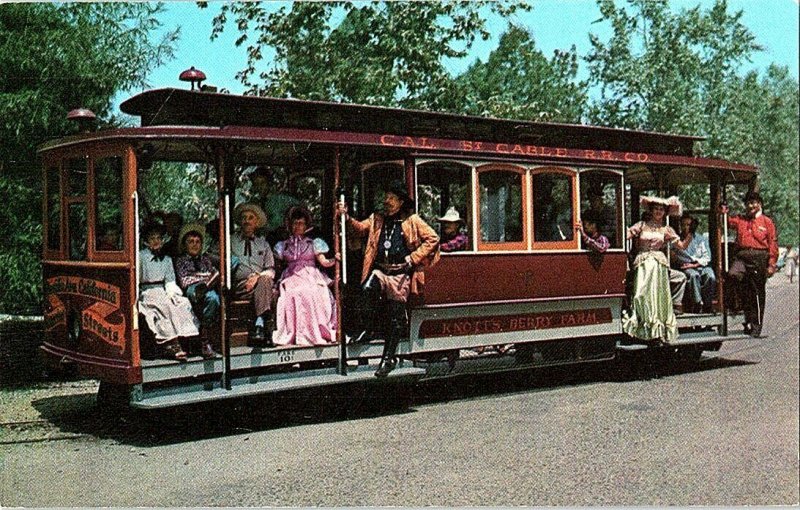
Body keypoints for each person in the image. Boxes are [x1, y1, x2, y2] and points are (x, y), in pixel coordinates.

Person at [338, 181, 440, 377]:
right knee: (368, 289)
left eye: (391, 198)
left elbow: (433, 238)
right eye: (386, 197)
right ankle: (366, 329)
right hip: (381, 271)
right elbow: (358, 229)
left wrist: (412, 259)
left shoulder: (412, 221)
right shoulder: (377, 219)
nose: (387, 201)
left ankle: (388, 359)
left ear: (400, 202)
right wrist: (346, 216)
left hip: (400, 275)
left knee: (395, 317)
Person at [622, 196, 685, 343]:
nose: (658, 211)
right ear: (651, 210)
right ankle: (643, 328)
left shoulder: (666, 229)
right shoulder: (642, 225)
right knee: (641, 294)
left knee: (657, 296)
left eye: (661, 209)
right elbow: (627, 235)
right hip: (643, 261)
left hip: (658, 264)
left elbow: (681, 246)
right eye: (656, 208)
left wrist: (690, 234)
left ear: (665, 212)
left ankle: (657, 331)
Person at [273, 206, 338, 346]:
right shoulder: (283, 245)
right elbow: (277, 266)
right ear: (290, 225)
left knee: (312, 292)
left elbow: (324, 262)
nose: (298, 226)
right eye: (295, 223)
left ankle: (315, 332)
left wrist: (335, 260)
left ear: (306, 225)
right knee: (292, 294)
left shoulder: (314, 243)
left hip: (310, 275)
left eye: (301, 223)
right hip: (291, 275)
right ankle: (296, 334)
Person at [138, 222, 199, 361]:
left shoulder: (166, 259)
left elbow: (170, 280)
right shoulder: (141, 256)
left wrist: (172, 293)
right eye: (152, 238)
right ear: (146, 241)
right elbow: (136, 279)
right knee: (162, 306)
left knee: (180, 303)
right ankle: (172, 345)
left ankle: (186, 341)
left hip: (163, 289)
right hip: (147, 291)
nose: (156, 241)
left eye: (158, 238)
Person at [721, 191, 779, 338]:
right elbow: (727, 221)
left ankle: (756, 326)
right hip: (742, 256)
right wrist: (723, 212)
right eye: (748, 203)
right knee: (733, 275)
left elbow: (773, 243)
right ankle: (738, 309)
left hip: (759, 258)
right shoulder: (741, 220)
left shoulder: (767, 222)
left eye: (753, 203)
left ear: (759, 204)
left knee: (757, 293)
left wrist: (771, 264)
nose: (751, 206)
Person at [231, 202, 276, 345]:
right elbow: (212, 257)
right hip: (241, 286)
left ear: (256, 223)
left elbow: (271, 269)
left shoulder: (263, 244)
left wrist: (257, 277)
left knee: (266, 281)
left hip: (260, 285)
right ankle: (265, 327)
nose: (247, 221)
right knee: (270, 291)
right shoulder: (230, 241)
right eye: (244, 218)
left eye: (250, 218)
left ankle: (259, 323)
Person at [173, 223, 220, 359]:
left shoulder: (205, 259)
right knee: (195, 293)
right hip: (192, 289)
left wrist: (203, 278)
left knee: (214, 299)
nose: (195, 245)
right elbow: (185, 280)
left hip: (207, 289)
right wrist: (205, 277)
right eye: (191, 242)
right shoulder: (181, 260)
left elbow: (215, 273)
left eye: (198, 242)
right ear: (185, 244)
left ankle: (204, 339)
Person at [673, 213, 716, 313]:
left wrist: (695, 264)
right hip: (686, 266)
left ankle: (708, 304)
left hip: (701, 265)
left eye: (688, 225)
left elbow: (707, 257)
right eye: (683, 225)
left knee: (710, 276)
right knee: (693, 275)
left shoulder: (701, 239)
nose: (685, 227)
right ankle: (697, 303)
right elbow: (676, 256)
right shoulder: (677, 240)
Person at [249, 167, 303, 245]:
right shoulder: (256, 203)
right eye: (256, 184)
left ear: (269, 183)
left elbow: (301, 211)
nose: (259, 187)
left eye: (262, 183)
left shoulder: (281, 199)